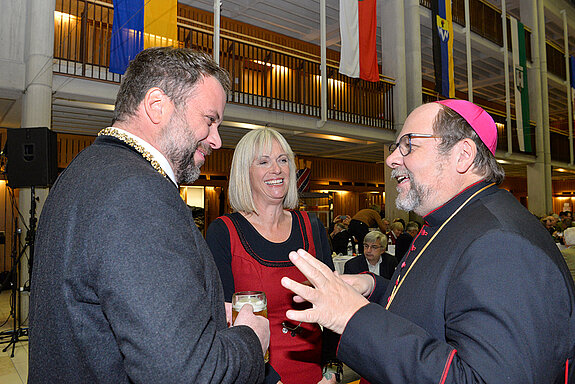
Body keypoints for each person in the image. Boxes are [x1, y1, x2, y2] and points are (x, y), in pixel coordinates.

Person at [280, 100, 575, 383]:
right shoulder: (456, 218)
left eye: (409, 144)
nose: (391, 158)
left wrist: (353, 317)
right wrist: (373, 289)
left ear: (462, 155)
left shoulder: (502, 244)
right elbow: (442, 307)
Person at [28, 47, 269, 384]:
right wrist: (250, 339)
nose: (216, 140)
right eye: (210, 120)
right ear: (157, 106)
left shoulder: (81, 172)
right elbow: (184, 374)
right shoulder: (138, 192)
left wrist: (205, 320)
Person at [206, 127, 341, 384]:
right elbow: (221, 325)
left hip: (317, 377)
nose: (276, 169)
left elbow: (336, 304)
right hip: (256, 377)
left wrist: (331, 370)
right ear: (245, 173)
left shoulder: (311, 226)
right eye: (263, 162)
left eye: (283, 160)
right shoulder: (223, 232)